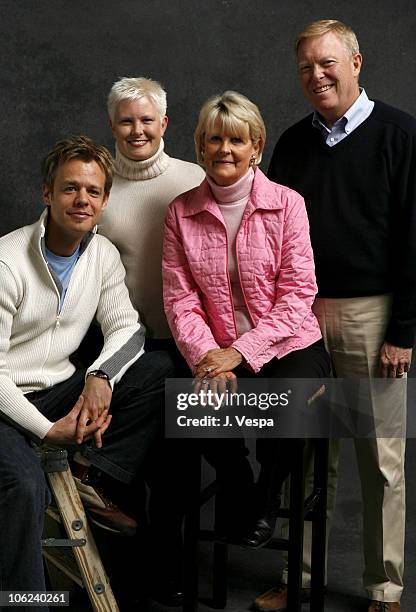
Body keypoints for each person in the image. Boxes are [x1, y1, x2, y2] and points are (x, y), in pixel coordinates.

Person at [254, 19, 416, 612]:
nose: (316, 76)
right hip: (299, 317)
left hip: (374, 317)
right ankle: (299, 577)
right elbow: (269, 239)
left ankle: (384, 588)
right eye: (305, 67)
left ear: (356, 61)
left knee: (381, 457)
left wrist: (404, 331)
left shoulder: (401, 134)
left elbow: (414, 241)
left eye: (327, 63)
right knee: (308, 450)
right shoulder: (293, 144)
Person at [0, 135, 173, 610]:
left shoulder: (101, 255)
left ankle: (90, 474)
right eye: (71, 189)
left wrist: (100, 376)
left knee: (160, 368)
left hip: (56, 388)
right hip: (3, 401)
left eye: (93, 192)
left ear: (104, 200)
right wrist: (47, 431)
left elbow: (129, 329)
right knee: (24, 485)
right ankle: (26, 602)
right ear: (47, 194)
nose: (82, 200)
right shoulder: (7, 261)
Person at [163, 90, 330, 547]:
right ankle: (240, 482)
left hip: (289, 342)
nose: (225, 150)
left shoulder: (287, 203)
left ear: (256, 146)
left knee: (288, 402)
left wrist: (239, 352)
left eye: (237, 140)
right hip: (214, 348)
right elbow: (181, 300)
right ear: (200, 147)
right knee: (198, 405)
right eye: (214, 139)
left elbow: (298, 294)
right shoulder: (181, 211)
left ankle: (266, 494)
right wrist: (207, 357)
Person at [99, 76, 204, 350]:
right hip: (120, 338)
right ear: (112, 126)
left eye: (146, 120)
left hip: (194, 336)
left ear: (163, 124)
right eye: (126, 121)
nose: (137, 131)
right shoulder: (97, 186)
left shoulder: (195, 179)